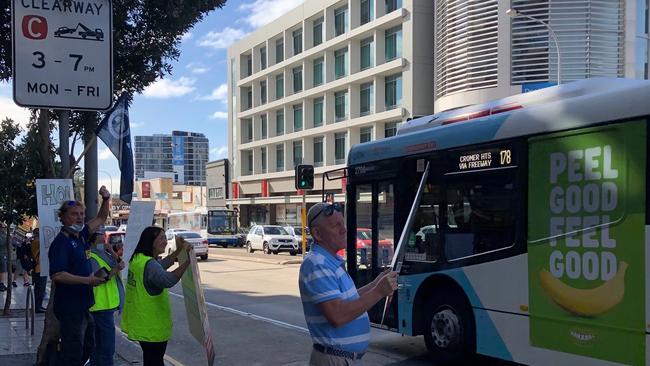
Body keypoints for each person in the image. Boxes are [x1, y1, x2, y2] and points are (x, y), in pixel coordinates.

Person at [299, 202, 398, 366]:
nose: (344, 230)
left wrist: (376, 283)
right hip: (334, 359)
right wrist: (378, 292)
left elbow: (349, 300)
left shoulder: (330, 263)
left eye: (342, 224)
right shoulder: (317, 264)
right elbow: (337, 316)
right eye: (336, 226)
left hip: (342, 358)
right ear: (317, 233)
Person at [48, 186, 111, 366]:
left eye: (82, 214)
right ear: (63, 217)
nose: (80, 217)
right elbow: (58, 275)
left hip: (84, 305)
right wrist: (88, 280)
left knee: (88, 346)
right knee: (72, 352)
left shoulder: (81, 235)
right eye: (75, 214)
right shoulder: (61, 243)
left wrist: (106, 199)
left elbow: (100, 218)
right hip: (69, 308)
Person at [121, 226, 192, 366]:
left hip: (141, 323)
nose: (165, 241)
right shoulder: (149, 264)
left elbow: (160, 266)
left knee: (151, 360)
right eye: (161, 238)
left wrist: (178, 251)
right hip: (151, 326)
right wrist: (188, 262)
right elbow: (167, 280)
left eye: (165, 237)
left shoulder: (138, 259)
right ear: (150, 242)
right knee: (155, 361)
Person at [88, 228, 125, 366]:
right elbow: (99, 278)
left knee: (100, 345)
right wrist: (116, 269)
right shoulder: (91, 256)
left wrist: (113, 253)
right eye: (100, 235)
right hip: (100, 306)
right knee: (107, 347)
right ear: (92, 238)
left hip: (108, 305)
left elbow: (120, 263)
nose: (103, 238)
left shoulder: (104, 253)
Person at [30, 228, 48, 313]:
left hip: (40, 268)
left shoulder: (35, 242)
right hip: (39, 268)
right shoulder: (37, 242)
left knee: (41, 289)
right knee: (40, 289)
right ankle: (38, 307)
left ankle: (39, 306)